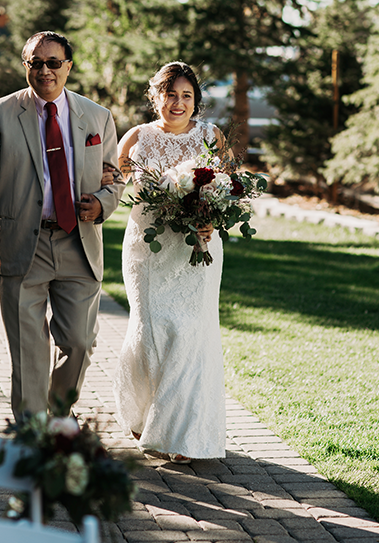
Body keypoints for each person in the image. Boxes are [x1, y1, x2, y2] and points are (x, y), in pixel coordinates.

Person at [0, 31, 126, 421]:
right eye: (35, 63)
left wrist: (102, 204)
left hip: (79, 242)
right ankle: (32, 433)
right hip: (22, 244)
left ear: (68, 67)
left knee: (79, 343)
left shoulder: (98, 117)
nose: (44, 71)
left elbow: (114, 178)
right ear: (25, 66)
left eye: (53, 62)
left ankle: (57, 412)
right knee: (27, 349)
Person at [111, 61, 227, 464]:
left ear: (196, 101)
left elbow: (227, 186)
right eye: (170, 94)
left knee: (191, 333)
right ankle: (143, 413)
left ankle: (179, 431)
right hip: (147, 248)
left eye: (187, 96)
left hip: (198, 247)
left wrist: (212, 217)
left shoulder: (211, 136)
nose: (178, 103)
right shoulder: (134, 139)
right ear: (155, 96)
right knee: (150, 330)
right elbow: (113, 184)